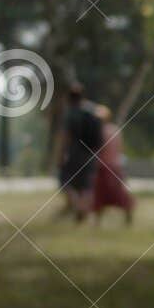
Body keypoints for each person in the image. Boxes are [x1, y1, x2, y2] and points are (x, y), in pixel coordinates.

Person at [56, 83, 102, 222]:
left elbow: (65, 137)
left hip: (75, 152)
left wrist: (60, 155)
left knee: (66, 181)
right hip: (91, 153)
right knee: (86, 185)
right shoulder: (93, 111)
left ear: (68, 98)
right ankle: (83, 208)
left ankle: (77, 206)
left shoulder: (71, 113)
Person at [90, 103, 135, 225]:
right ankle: (127, 213)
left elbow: (99, 149)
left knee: (101, 195)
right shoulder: (116, 130)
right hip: (115, 166)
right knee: (116, 193)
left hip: (104, 166)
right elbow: (121, 148)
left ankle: (97, 221)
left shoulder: (101, 132)